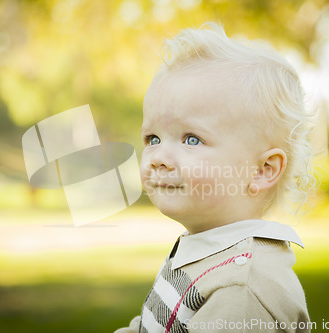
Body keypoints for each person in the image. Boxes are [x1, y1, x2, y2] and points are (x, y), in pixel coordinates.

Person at [116, 22, 316, 333]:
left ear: (263, 170)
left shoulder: (244, 286)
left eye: (191, 139)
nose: (158, 159)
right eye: (152, 138)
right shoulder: (206, 251)